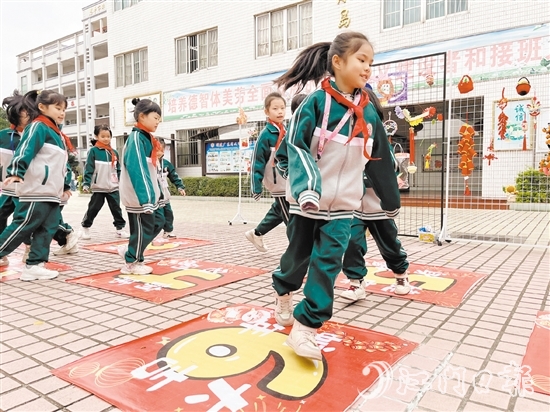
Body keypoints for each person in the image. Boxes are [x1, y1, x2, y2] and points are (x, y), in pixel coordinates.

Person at [271, 32, 401, 360]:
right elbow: (296, 148)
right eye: (362, 60)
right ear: (338, 62)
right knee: (296, 261)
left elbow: (381, 155)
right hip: (307, 202)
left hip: (344, 207)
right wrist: (307, 189)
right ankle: (283, 291)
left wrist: (390, 199)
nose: (368, 68)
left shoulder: (368, 109)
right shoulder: (315, 103)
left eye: (371, 62)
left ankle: (305, 328)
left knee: (327, 265)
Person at [341, 86, 410, 301]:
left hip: (378, 203)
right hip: (353, 202)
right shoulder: (344, 135)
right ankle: (355, 282)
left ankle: (400, 273)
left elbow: (390, 167)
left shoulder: (378, 135)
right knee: (351, 242)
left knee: (389, 242)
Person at [0, 89, 73, 281]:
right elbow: (24, 149)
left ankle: (34, 265)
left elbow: (60, 164)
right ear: (41, 107)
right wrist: (16, 171)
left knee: (47, 228)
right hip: (36, 190)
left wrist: (65, 185)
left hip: (51, 192)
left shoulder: (56, 133)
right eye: (57, 108)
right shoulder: (38, 126)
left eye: (64, 108)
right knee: (23, 225)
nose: (62, 112)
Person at [118, 98, 165, 275]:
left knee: (159, 221)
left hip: (150, 193)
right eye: (155, 117)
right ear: (142, 116)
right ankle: (132, 262)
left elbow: (151, 169)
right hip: (139, 195)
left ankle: (130, 250)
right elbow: (137, 169)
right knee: (142, 227)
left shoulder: (148, 139)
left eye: (159, 119)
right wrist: (145, 198)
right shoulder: (136, 138)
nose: (158, 122)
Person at [245, 92, 290, 252]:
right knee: (293, 221)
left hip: (289, 181)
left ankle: (256, 233)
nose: (280, 112)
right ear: (266, 112)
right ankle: (299, 253)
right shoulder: (265, 135)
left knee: (279, 211)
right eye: (275, 108)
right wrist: (256, 187)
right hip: (279, 184)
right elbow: (257, 161)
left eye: (282, 108)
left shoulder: (288, 129)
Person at [80, 124, 128, 240]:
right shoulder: (94, 151)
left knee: (116, 209)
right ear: (96, 136)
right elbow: (89, 168)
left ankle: (120, 229)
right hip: (99, 187)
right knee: (93, 208)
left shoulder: (114, 152)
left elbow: (118, 169)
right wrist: (86, 183)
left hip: (113, 187)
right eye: (103, 136)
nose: (106, 139)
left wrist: (121, 182)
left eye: (108, 136)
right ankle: (85, 227)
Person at [0, 90, 30, 266]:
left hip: (25, 188)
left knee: (24, 218)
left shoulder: (33, 134)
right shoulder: (3, 136)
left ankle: (30, 248)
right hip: (7, 187)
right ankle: (2, 253)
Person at [157, 139, 186, 238]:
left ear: (164, 150)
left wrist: (180, 187)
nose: (158, 152)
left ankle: (168, 231)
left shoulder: (166, 164)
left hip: (165, 193)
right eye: (155, 150)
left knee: (168, 213)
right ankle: (150, 234)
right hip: (155, 195)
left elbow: (174, 176)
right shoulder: (149, 163)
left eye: (160, 150)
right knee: (159, 216)